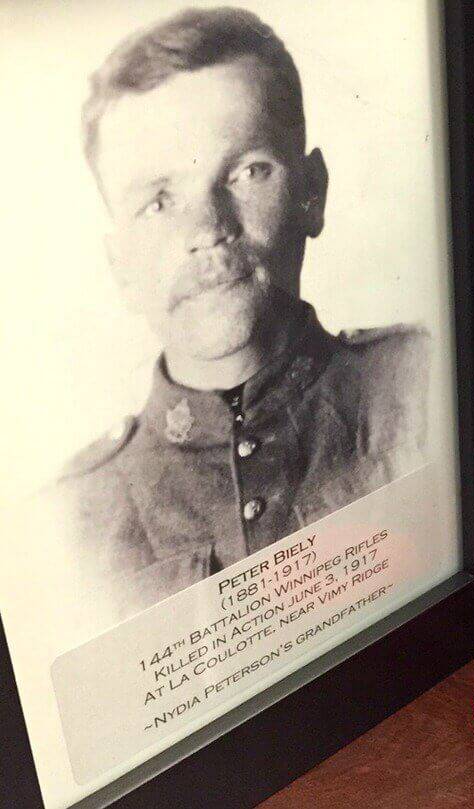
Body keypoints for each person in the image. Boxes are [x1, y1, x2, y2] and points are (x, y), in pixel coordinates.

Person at [43, 7, 430, 626]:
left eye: (248, 171)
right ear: (119, 264)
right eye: (159, 201)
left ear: (312, 192)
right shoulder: (68, 526)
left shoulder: (423, 387)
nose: (208, 230)